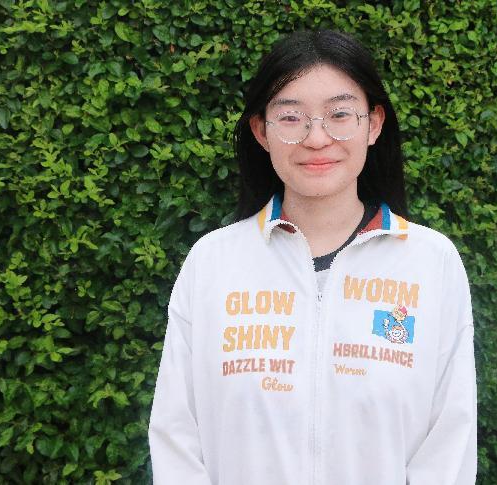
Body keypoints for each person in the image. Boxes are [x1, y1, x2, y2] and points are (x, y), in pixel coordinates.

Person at [149, 29, 477, 485]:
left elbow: (448, 447)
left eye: (340, 114)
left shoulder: (430, 263)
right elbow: (176, 438)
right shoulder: (212, 264)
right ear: (261, 131)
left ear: (373, 124)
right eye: (291, 117)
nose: (317, 138)